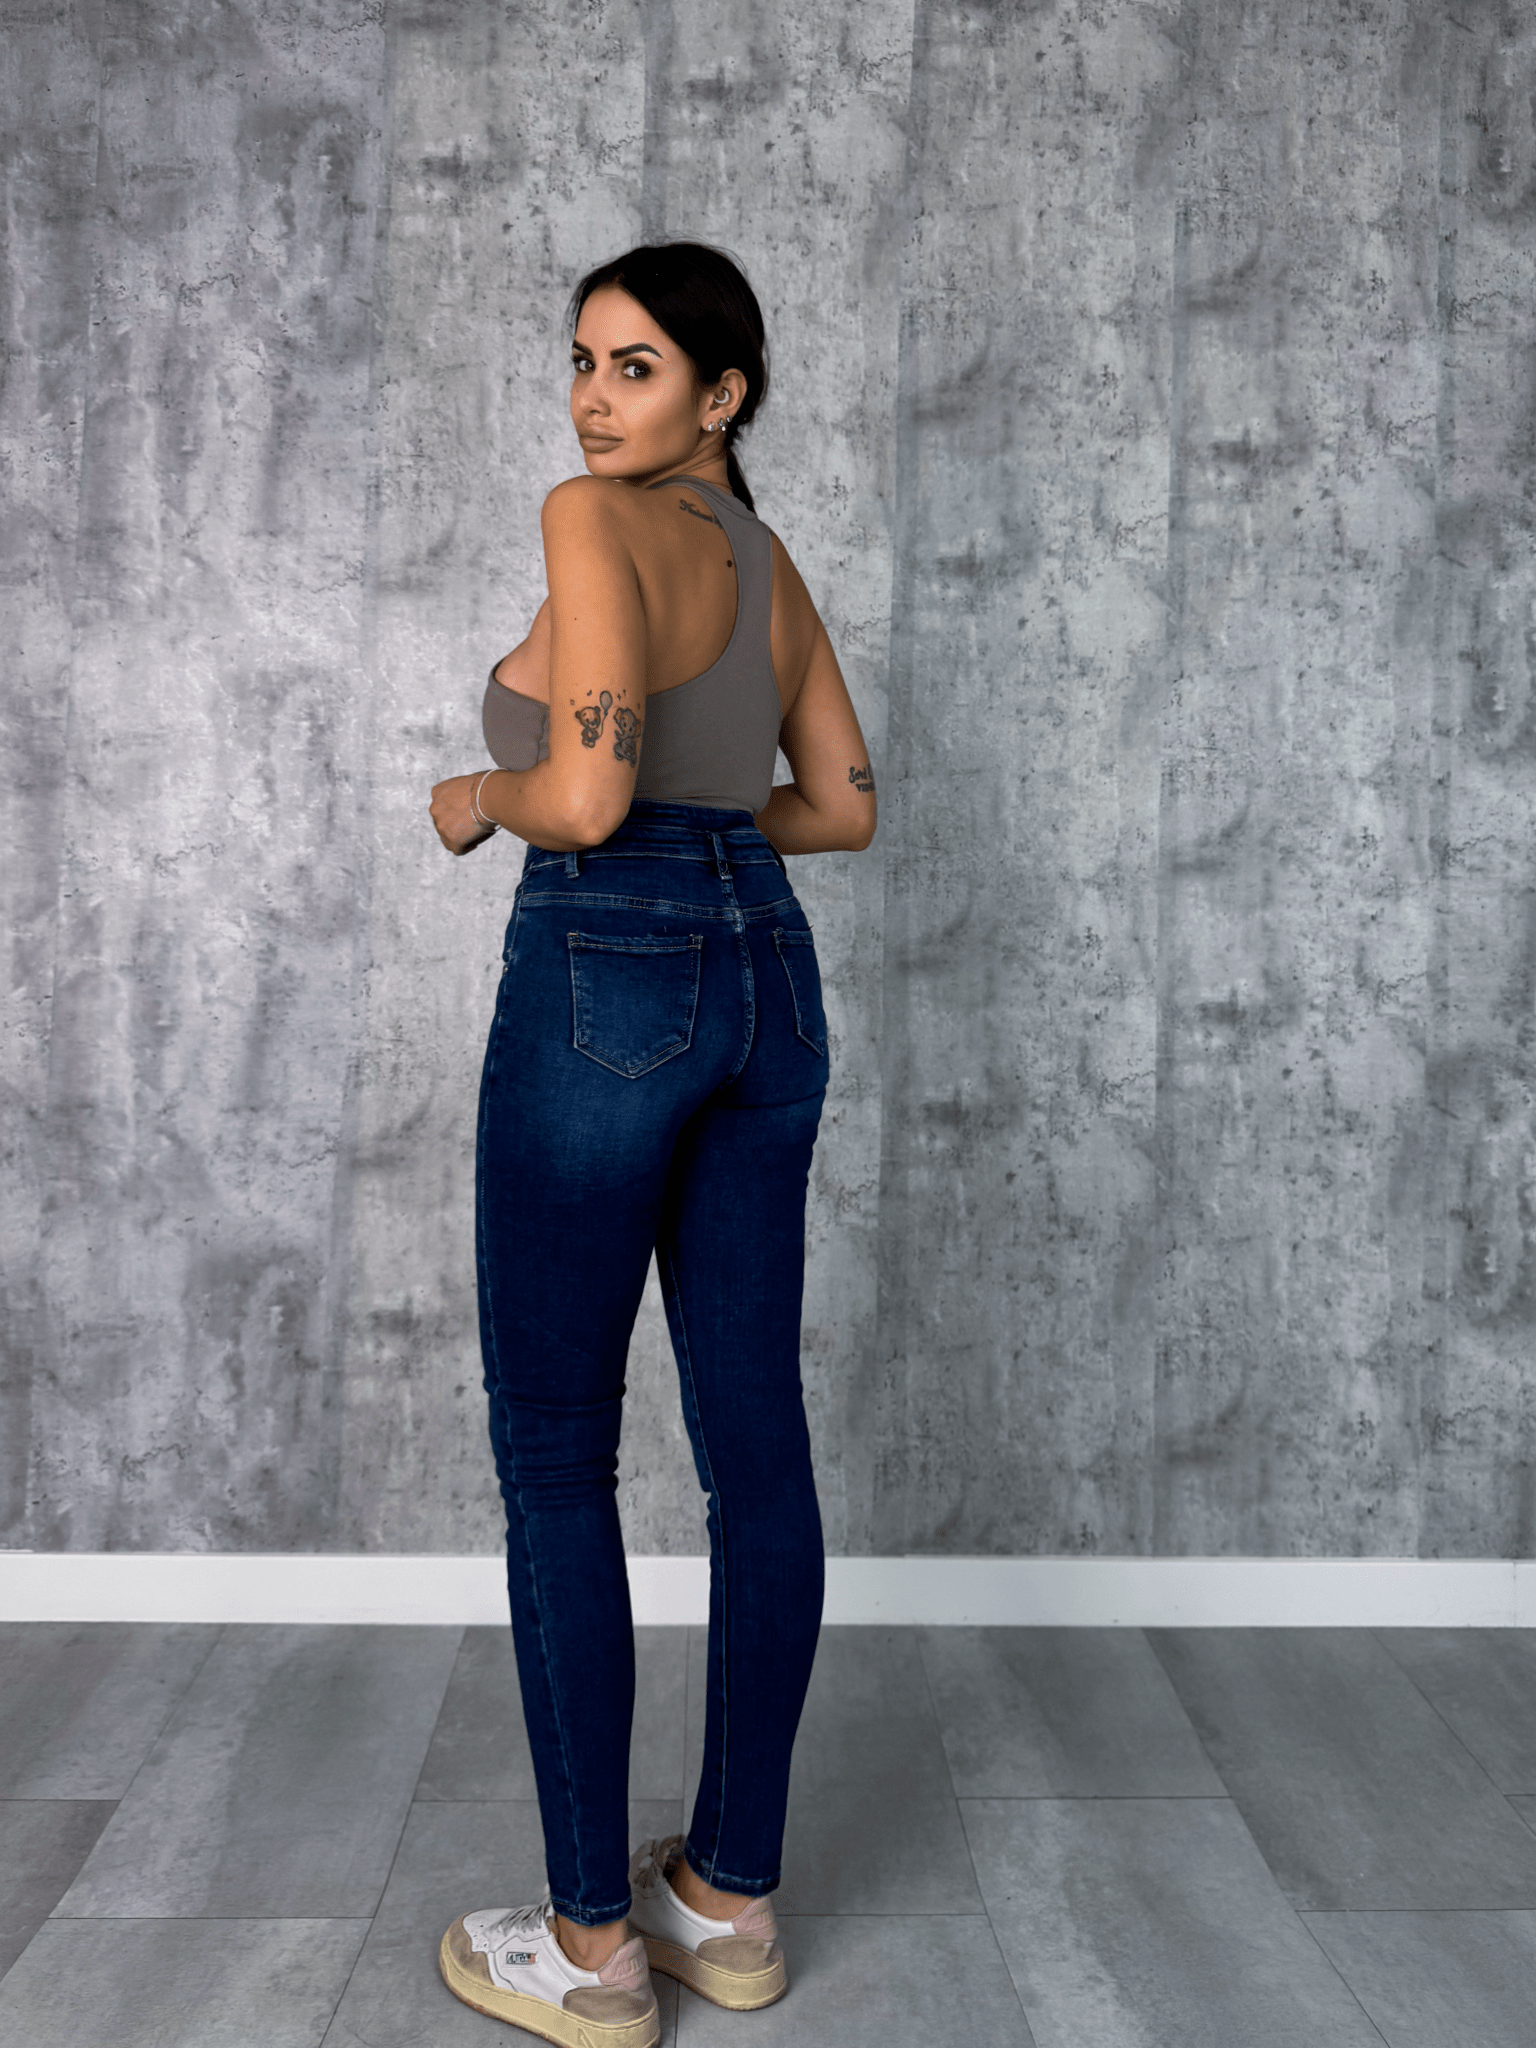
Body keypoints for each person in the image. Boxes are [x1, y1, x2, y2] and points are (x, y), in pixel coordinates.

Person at [428, 240, 876, 2048]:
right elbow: (842, 806)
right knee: (754, 1447)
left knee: (556, 1450)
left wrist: (477, 797)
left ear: (722, 393)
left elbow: (586, 791)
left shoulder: (589, 521)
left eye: (634, 366)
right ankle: (730, 1903)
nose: (590, 398)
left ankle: (594, 1949)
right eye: (582, 361)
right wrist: (716, 831)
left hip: (606, 961)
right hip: (768, 967)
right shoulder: (768, 567)